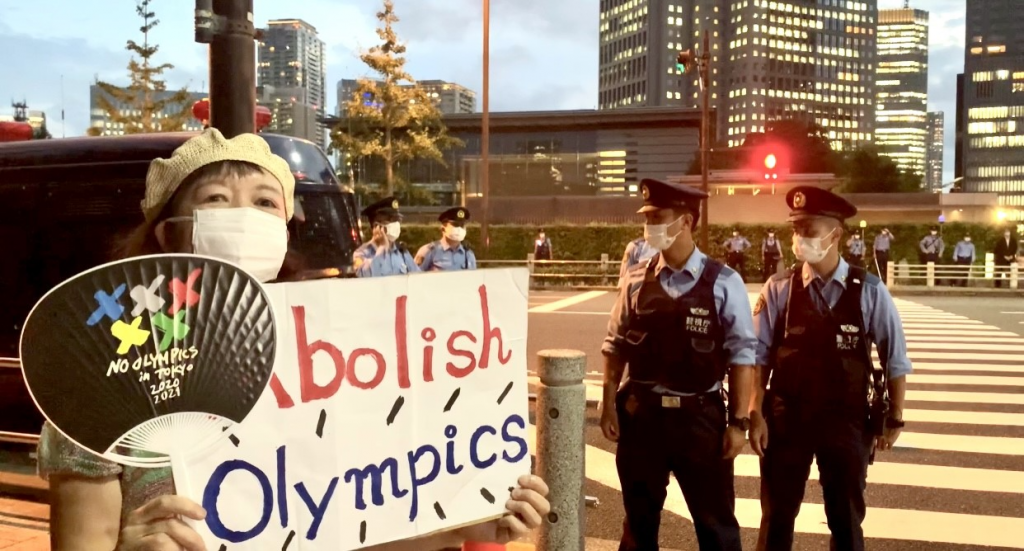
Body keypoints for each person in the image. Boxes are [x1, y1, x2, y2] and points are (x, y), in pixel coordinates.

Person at [37, 128, 551, 551]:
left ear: (284, 232)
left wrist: (465, 518)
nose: (244, 216)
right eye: (217, 199)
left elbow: (348, 522)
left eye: (265, 202)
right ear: (170, 232)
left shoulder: (327, 360)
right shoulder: (105, 378)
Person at [749, 186, 911, 551]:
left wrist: (895, 416)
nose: (800, 237)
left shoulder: (869, 290)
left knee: (845, 517)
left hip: (846, 418)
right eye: (796, 229)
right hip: (787, 415)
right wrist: (754, 412)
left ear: (835, 233)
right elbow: (758, 357)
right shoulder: (779, 288)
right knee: (777, 515)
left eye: (809, 228)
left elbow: (894, 358)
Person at [602, 178, 754, 551]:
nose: (649, 226)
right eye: (647, 217)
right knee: (638, 525)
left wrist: (739, 423)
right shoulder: (636, 279)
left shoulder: (724, 283)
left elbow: (742, 356)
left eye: (658, 217)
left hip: (699, 420)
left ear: (686, 221)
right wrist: (608, 403)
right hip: (643, 418)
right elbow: (615, 345)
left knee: (716, 526)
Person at [354, 196, 420, 277]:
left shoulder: (401, 252)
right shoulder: (362, 253)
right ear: (376, 226)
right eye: (391, 220)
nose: (396, 224)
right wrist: (382, 248)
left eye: (397, 220)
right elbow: (366, 276)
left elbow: (418, 277)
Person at [415, 206, 477, 271]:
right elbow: (415, 276)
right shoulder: (429, 251)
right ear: (443, 228)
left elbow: (473, 278)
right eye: (455, 225)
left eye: (462, 225)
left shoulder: (468, 254)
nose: (459, 229)